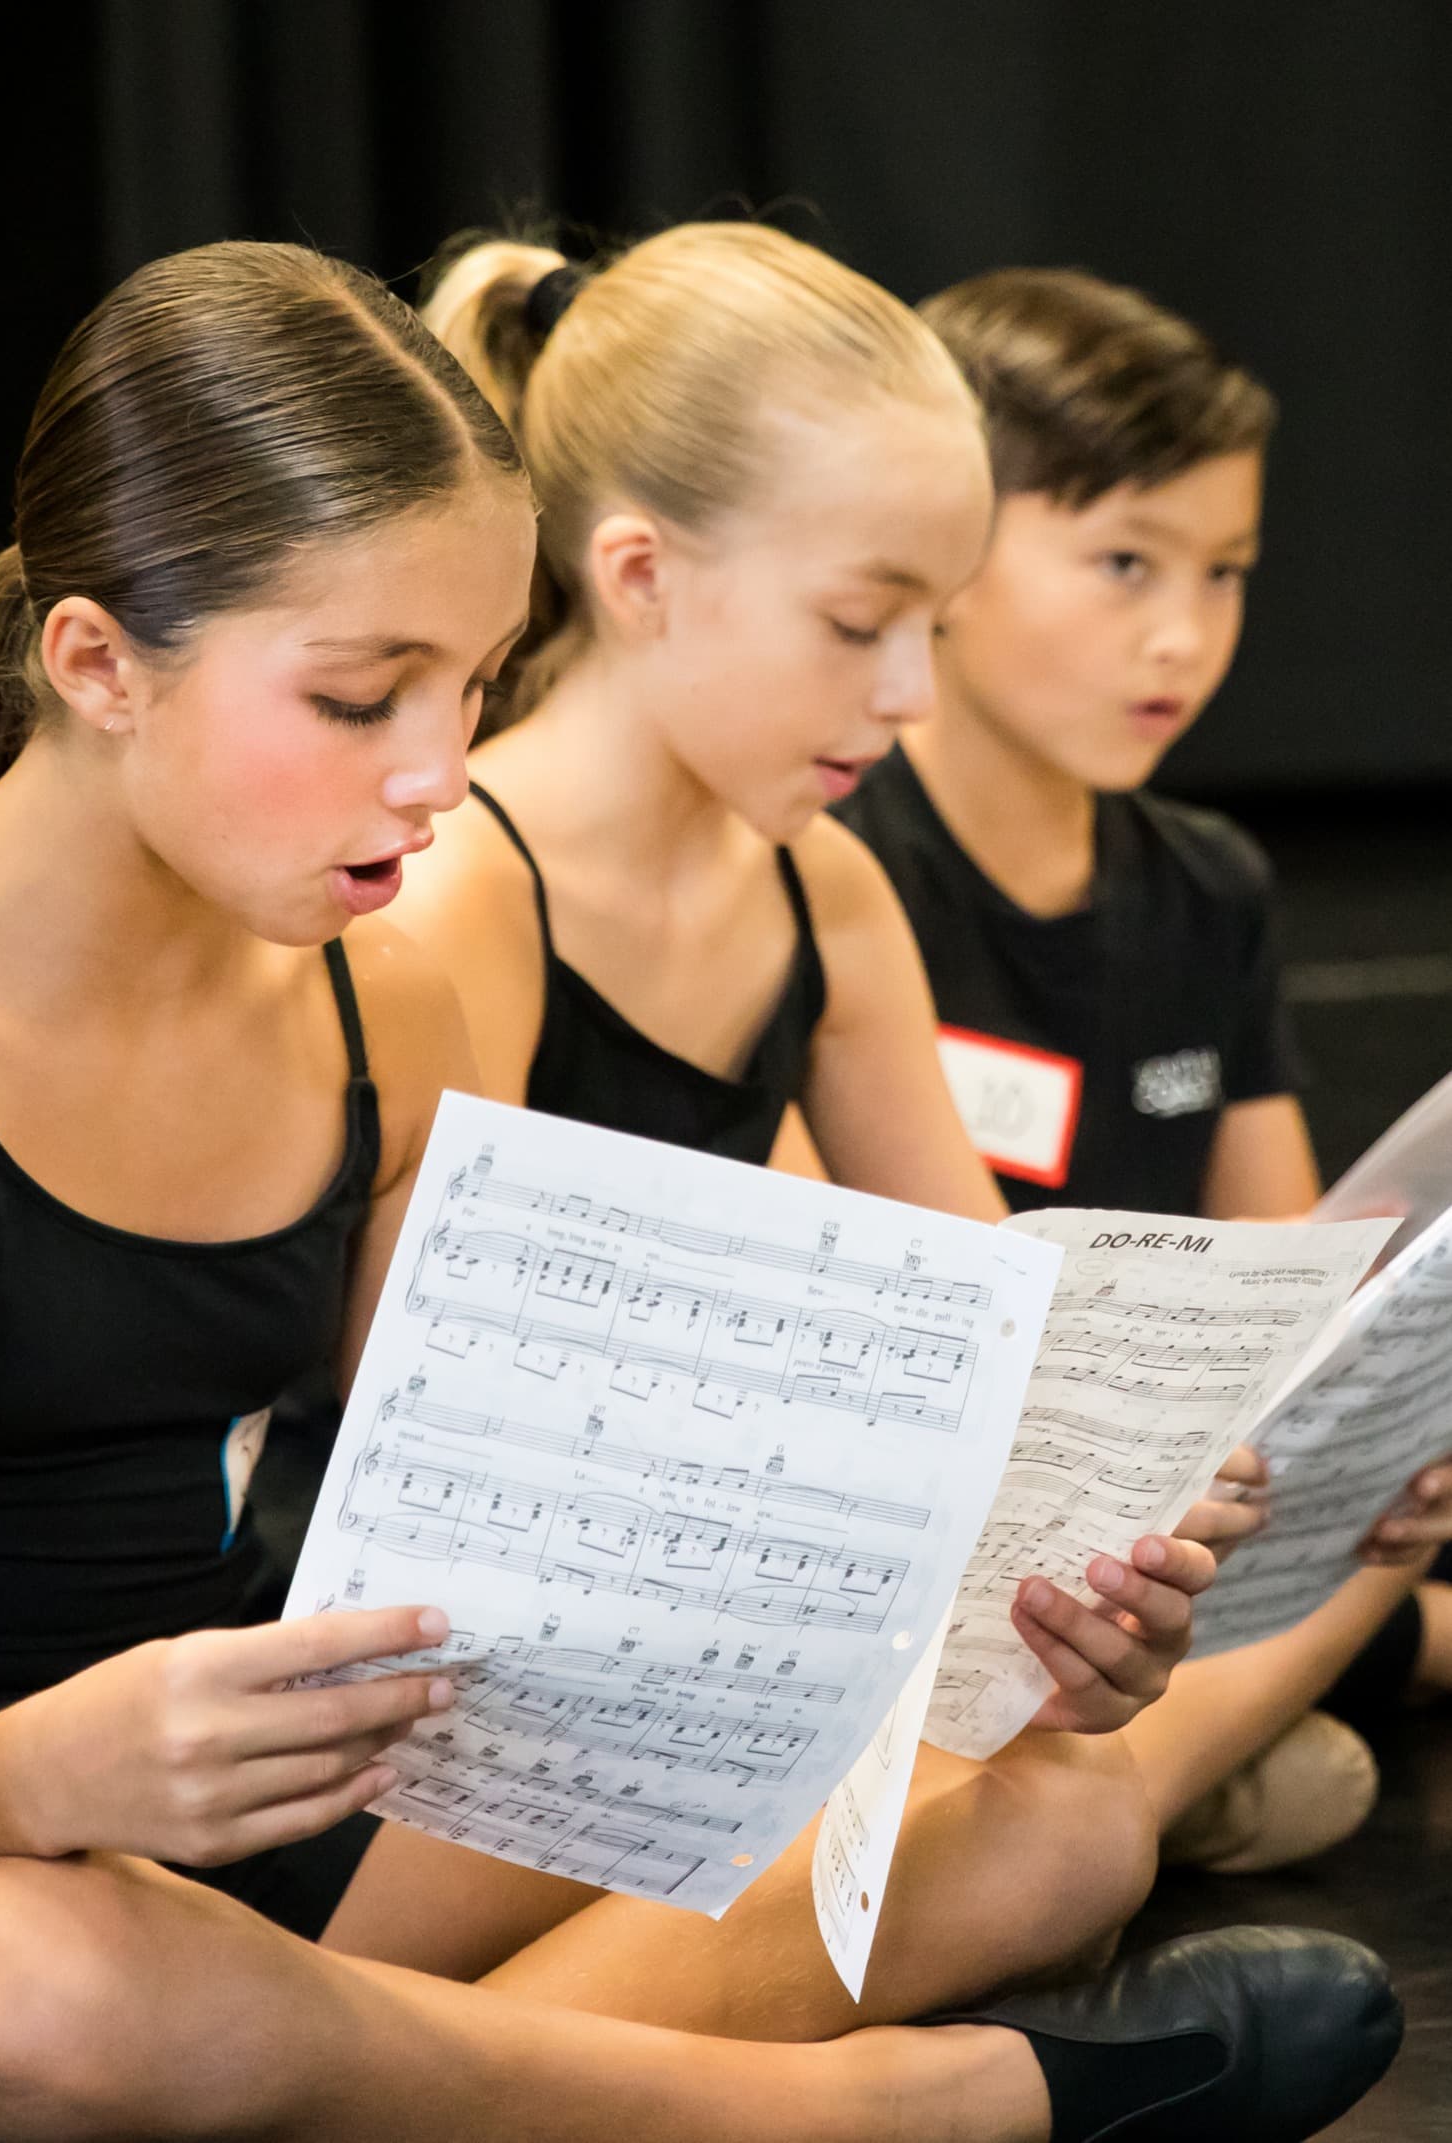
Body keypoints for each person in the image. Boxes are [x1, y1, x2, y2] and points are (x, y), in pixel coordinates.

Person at [0, 236, 1401, 2143]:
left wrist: (1002, 1628)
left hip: (248, 1798)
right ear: (97, 663)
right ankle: (911, 2115)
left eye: (478, 685)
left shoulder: (380, 997)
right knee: (53, 1984)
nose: (440, 772)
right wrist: (71, 1765)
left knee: (1051, 1839)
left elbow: (507, 1557)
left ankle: (325, 2087)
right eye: (363, 699)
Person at [361, 219, 1325, 2032]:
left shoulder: (821, 895)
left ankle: (421, 2072)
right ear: (640, 574)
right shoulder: (456, 898)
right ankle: (424, 2061)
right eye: (858, 625)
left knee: (1070, 1826)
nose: (903, 692)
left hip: (697, 1660)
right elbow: (422, 1442)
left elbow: (987, 1328)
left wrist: (1128, 1496)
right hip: (462, 1693)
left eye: (929, 631)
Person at [832, 264, 1452, 1870]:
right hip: (945, 1550)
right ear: (945, 558)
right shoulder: (835, 868)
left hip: (1177, 1543)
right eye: (1121, 563)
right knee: (1304, 1766)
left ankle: (1149, 1779)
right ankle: (1121, 1804)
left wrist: (1374, 1433)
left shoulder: (1206, 884)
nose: (1180, 634)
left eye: (1225, 573)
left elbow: (1292, 1293)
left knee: (1379, 1545)